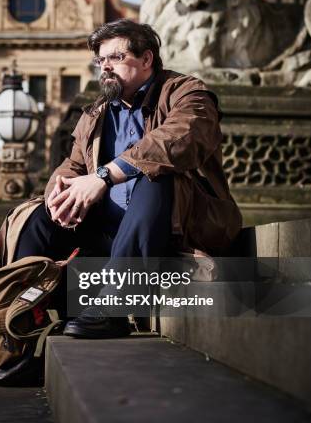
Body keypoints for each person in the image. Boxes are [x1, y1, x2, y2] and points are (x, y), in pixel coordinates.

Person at [12, 19, 242, 338]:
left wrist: (104, 176)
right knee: (38, 216)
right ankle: (18, 316)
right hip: (108, 231)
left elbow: (181, 138)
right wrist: (59, 194)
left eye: (115, 58)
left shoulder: (186, 92)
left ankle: (115, 308)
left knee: (155, 176)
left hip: (178, 224)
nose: (105, 67)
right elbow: (73, 165)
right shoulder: (96, 113)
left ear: (146, 59)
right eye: (100, 60)